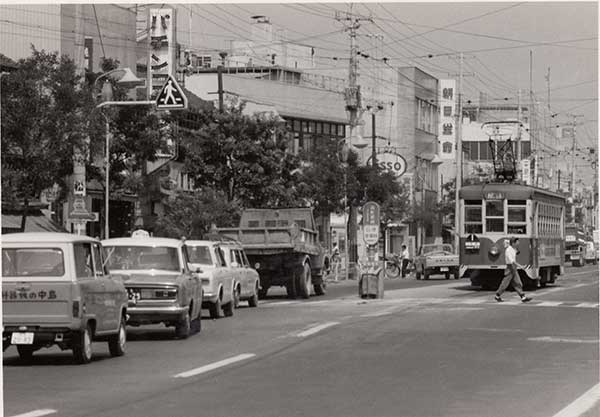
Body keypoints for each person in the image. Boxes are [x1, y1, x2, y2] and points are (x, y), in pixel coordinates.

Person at [495, 237, 532, 302]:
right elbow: (512, 261)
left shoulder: (512, 249)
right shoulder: (508, 250)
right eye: (517, 241)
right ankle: (497, 295)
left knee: (518, 282)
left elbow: (517, 253)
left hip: (513, 268)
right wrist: (521, 266)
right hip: (510, 268)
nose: (518, 242)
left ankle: (523, 297)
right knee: (505, 283)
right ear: (513, 243)